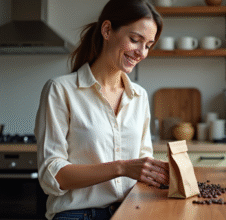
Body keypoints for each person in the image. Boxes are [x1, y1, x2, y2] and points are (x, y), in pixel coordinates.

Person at [34, 0, 169, 219]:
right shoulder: (60, 90)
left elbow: (143, 166)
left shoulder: (139, 96)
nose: (141, 52)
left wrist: (162, 174)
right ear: (107, 30)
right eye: (135, 40)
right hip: (76, 214)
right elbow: (54, 175)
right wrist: (122, 168)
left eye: (148, 45)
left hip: (129, 211)